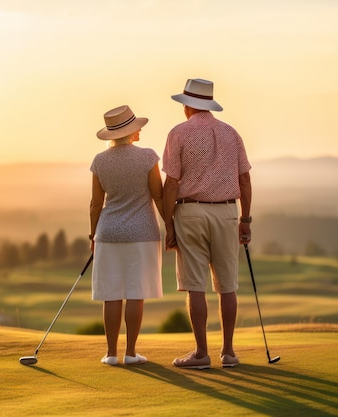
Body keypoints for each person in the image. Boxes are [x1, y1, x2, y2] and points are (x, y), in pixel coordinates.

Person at [162, 78, 252, 369]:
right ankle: (228, 353)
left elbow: (172, 183)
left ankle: (201, 354)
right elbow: (245, 179)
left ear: (188, 106)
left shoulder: (178, 133)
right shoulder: (231, 133)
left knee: (195, 285)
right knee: (227, 286)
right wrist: (246, 219)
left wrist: (168, 224)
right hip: (227, 212)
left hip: (189, 212)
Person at [89, 104, 164, 366]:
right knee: (135, 292)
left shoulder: (100, 161)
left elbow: (96, 204)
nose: (140, 129)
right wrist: (172, 226)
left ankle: (111, 354)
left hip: (108, 233)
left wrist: (92, 236)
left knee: (111, 293)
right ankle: (131, 353)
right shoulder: (148, 157)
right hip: (142, 232)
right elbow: (158, 195)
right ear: (131, 131)